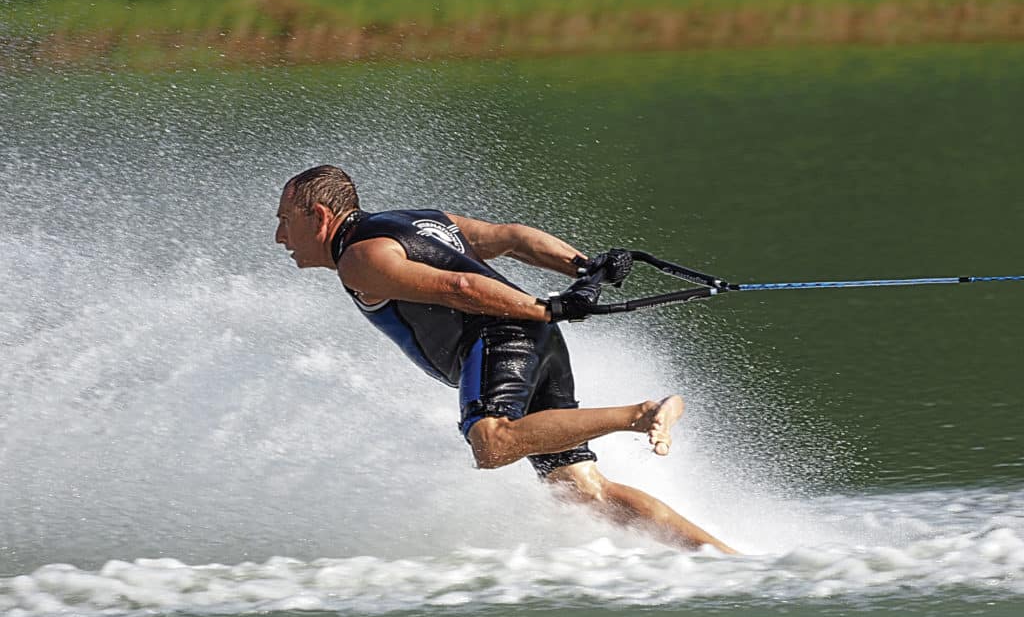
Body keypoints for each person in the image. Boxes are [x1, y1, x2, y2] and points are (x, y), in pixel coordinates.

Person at [275, 164, 736, 554]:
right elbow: (511, 238)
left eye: (285, 220)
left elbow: (461, 289)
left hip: (500, 337)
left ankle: (641, 414)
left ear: (318, 216)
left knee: (491, 443)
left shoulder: (359, 259)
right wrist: (585, 268)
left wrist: (549, 306)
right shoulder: (420, 220)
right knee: (585, 494)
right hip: (534, 338)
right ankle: (730, 561)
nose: (280, 237)